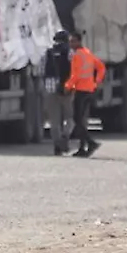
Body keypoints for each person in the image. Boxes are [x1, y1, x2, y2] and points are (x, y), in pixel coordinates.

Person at [65, 30, 106, 158]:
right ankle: (82, 148)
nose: (70, 44)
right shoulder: (88, 53)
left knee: (77, 119)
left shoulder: (77, 55)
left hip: (81, 91)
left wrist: (68, 85)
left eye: (73, 41)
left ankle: (91, 142)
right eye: (70, 41)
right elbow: (101, 67)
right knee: (81, 121)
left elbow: (75, 74)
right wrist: (96, 81)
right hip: (90, 90)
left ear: (78, 41)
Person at [42, 30, 74, 156]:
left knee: (54, 120)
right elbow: (73, 69)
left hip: (50, 86)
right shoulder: (70, 52)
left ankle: (57, 145)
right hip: (65, 87)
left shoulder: (49, 52)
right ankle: (65, 137)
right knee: (71, 117)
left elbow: (42, 69)